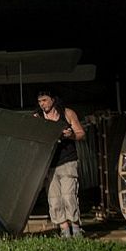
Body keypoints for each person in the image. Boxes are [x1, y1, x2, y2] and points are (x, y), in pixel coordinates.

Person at [35, 89, 86, 238]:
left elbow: (81, 133)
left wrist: (71, 135)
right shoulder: (38, 116)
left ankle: (76, 229)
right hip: (48, 163)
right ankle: (64, 231)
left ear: (52, 99)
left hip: (67, 161)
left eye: (44, 100)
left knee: (68, 195)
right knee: (54, 199)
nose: (42, 104)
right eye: (39, 101)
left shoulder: (67, 113)